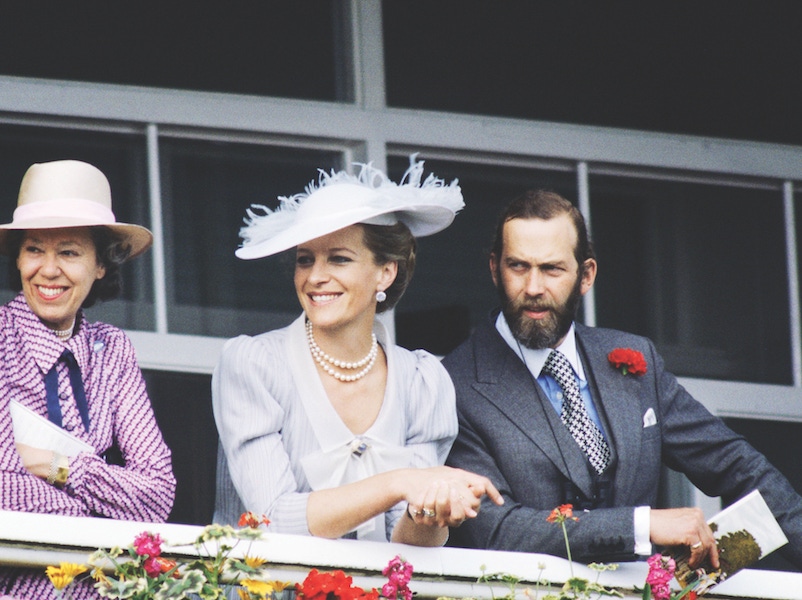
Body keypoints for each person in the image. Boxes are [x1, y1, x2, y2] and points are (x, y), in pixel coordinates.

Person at [443, 189, 802, 569]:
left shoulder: (635, 358)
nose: (533, 288)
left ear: (586, 275)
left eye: (552, 269)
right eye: (518, 267)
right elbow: (498, 530)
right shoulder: (455, 383)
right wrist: (641, 525)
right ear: (494, 268)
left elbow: (733, 464)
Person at [213, 156, 502, 546]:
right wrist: (401, 482)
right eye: (305, 259)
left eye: (339, 258)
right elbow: (273, 519)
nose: (315, 277)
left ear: (386, 271)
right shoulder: (254, 365)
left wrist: (429, 512)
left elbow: (408, 550)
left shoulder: (423, 381)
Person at [0, 160, 176, 599]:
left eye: (70, 252)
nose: (48, 269)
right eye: (35, 249)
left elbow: (157, 493)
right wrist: (102, 502)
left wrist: (59, 467)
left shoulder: (111, 349)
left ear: (101, 264)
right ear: (18, 257)